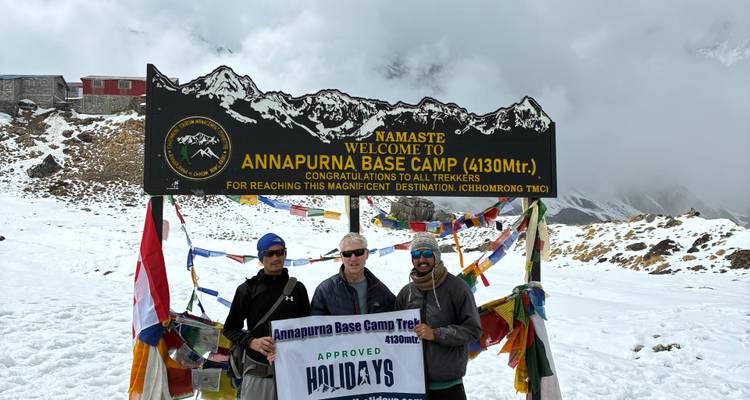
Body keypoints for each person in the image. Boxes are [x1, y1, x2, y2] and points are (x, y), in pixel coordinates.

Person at [223, 232, 312, 400]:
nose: (275, 258)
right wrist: (252, 342)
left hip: (291, 372)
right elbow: (230, 328)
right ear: (260, 256)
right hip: (257, 372)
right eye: (269, 253)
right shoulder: (247, 290)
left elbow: (307, 331)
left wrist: (287, 350)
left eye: (280, 252)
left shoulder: (297, 289)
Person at [395, 232, 481, 400]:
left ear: (436, 255)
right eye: (416, 255)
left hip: (448, 386)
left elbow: (473, 330)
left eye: (427, 254)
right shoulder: (407, 292)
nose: (422, 260)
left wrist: (435, 334)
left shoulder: (457, 287)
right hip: (413, 385)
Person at [311, 232, 395, 315]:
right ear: (341, 257)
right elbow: (315, 324)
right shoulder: (325, 291)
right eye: (347, 254)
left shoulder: (381, 291)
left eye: (359, 252)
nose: (353, 258)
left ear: (367, 254)